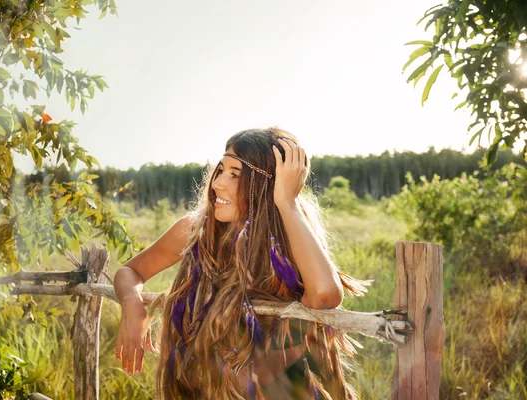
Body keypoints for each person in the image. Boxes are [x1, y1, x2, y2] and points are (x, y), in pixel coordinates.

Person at [114, 127, 369, 399]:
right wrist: (131, 303)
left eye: (235, 175)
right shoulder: (195, 232)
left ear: (267, 185)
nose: (217, 183)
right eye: (220, 170)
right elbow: (130, 270)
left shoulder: (291, 244)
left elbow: (324, 295)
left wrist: (287, 202)